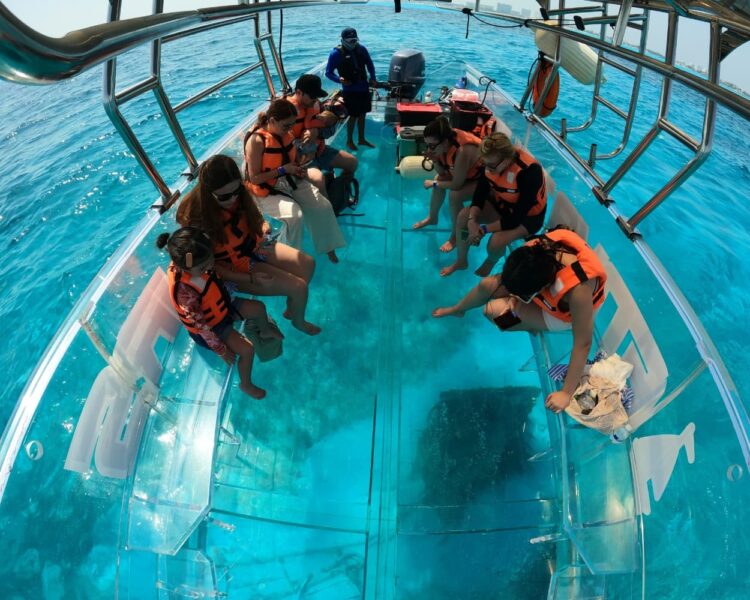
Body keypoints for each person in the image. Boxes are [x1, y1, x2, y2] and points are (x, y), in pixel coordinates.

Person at [433, 227, 607, 413]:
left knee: (494, 313)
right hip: (541, 288)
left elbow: (583, 343)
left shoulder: (578, 291)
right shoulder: (533, 251)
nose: (513, 296)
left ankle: (531, 324)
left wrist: (565, 393)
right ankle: (458, 310)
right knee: (487, 285)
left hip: (562, 314)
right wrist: (515, 296)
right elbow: (508, 280)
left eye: (520, 295)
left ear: (539, 289)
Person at [177, 154, 322, 336]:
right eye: (224, 196)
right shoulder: (195, 217)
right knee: (299, 287)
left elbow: (255, 218)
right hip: (232, 270)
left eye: (236, 191)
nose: (232, 199)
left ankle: (292, 309)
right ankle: (298, 322)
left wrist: (262, 226)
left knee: (308, 264)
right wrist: (251, 279)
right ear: (207, 192)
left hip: (255, 248)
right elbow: (206, 266)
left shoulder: (240, 195)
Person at [157, 227, 283, 399]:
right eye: (203, 267)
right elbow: (201, 327)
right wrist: (221, 350)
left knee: (258, 307)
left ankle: (265, 329)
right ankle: (245, 384)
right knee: (247, 350)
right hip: (212, 327)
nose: (210, 266)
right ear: (184, 267)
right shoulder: (184, 291)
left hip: (222, 307)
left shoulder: (192, 259)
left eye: (210, 259)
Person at [244, 98, 346, 263]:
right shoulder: (256, 141)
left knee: (323, 206)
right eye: (286, 126)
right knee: (295, 215)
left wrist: (300, 162)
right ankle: (288, 258)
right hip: (264, 190)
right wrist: (284, 169)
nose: (290, 130)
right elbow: (254, 177)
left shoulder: (285, 133)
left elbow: (290, 157)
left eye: (292, 125)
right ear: (272, 121)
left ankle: (328, 247)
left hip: (288, 180)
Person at [440, 132, 547, 278]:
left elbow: (516, 218)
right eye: (484, 164)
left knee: (496, 242)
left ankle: (491, 261)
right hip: (503, 205)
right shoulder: (490, 162)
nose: (487, 169)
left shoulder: (529, 172)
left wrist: (482, 229)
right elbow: (480, 193)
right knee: (463, 217)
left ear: (506, 159)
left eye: (491, 166)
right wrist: (472, 221)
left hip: (527, 217)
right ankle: (461, 261)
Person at [412, 116, 483, 252]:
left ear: (444, 142)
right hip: (465, 175)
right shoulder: (442, 144)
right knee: (439, 179)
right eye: (427, 144)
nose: (429, 148)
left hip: (481, 180)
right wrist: (435, 160)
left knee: (455, 196)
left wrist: (433, 184)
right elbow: (443, 174)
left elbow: (456, 185)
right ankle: (432, 218)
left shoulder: (463, 151)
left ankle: (455, 237)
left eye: (432, 145)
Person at [288, 74, 357, 195]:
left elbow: (331, 129)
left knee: (352, 162)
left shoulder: (315, 105)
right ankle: (329, 210)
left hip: (320, 151)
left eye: (317, 96)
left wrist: (317, 132)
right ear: (299, 92)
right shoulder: (286, 111)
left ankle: (340, 193)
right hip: (301, 159)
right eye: (313, 96)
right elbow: (281, 144)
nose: (315, 99)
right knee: (319, 179)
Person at [325, 27, 377, 151]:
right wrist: (339, 80)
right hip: (350, 91)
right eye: (350, 41)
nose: (353, 43)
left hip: (363, 88)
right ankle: (349, 141)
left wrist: (373, 77)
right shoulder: (335, 54)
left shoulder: (362, 49)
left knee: (363, 114)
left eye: (355, 40)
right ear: (342, 40)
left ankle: (361, 139)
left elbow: (370, 64)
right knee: (353, 116)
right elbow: (328, 73)